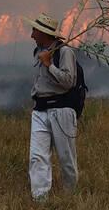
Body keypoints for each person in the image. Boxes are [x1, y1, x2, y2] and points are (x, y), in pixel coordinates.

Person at [23, 13, 78, 200]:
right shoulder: (37, 51)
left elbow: (69, 81)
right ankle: (40, 201)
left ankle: (71, 196)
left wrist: (49, 64)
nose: (31, 35)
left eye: (34, 31)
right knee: (37, 157)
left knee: (66, 157)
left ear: (44, 33)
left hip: (61, 109)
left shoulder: (64, 52)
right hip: (40, 109)